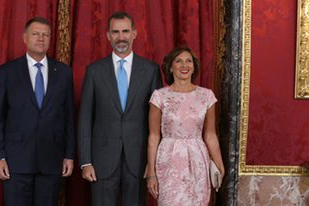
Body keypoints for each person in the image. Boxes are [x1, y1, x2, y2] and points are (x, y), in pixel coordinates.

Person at [77, 12, 162, 206]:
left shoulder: (150, 70)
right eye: (115, 32)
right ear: (108, 35)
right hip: (101, 160)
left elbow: (157, 121)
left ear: (134, 33)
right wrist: (86, 161)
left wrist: (153, 163)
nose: (121, 36)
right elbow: (85, 119)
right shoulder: (94, 71)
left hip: (139, 159)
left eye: (125, 31)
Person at [0, 16, 75, 206]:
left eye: (45, 35)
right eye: (35, 34)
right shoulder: (7, 72)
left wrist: (69, 154)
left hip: (51, 159)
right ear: (25, 38)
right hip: (15, 161)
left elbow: (69, 117)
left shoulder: (63, 72)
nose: (40, 38)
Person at [146, 47, 225, 205]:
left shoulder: (206, 96)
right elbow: (154, 137)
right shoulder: (159, 96)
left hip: (197, 159)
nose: (184, 65)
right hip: (168, 159)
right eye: (179, 61)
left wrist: (219, 163)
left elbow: (210, 135)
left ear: (194, 66)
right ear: (170, 67)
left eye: (189, 61)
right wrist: (151, 173)